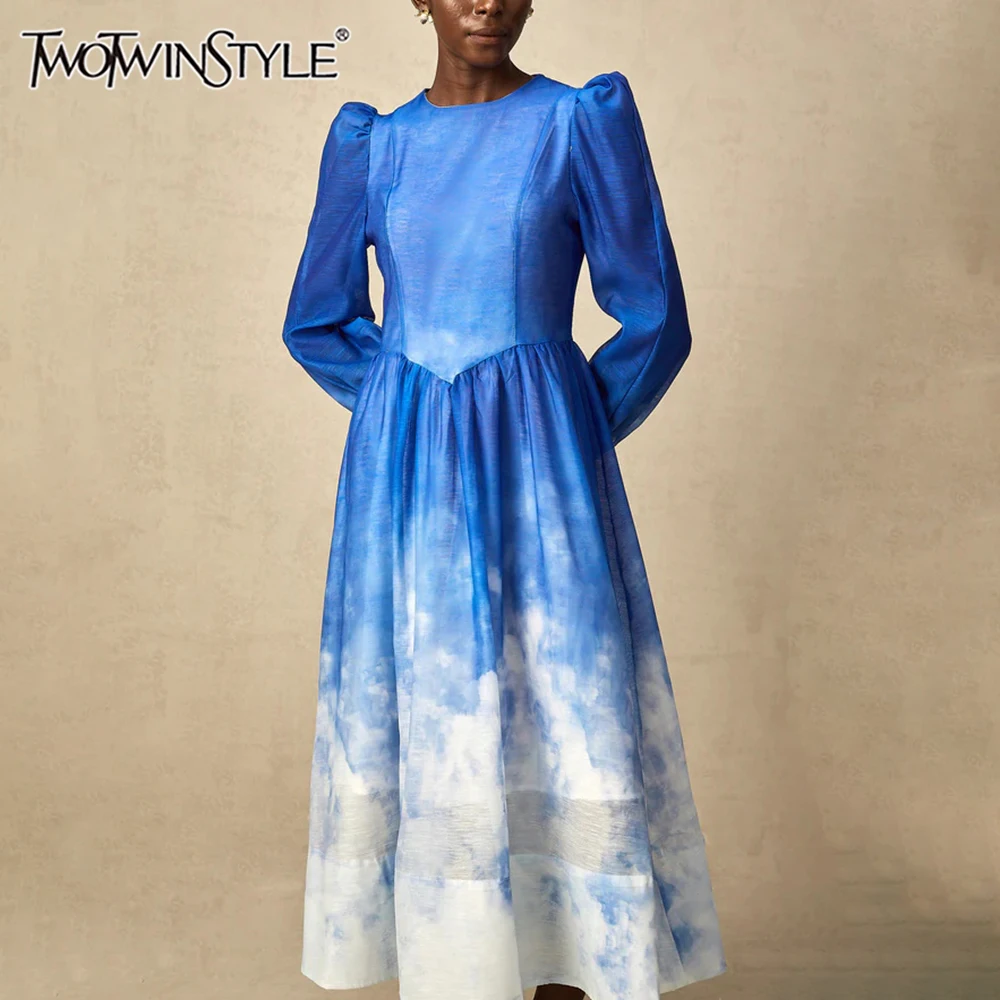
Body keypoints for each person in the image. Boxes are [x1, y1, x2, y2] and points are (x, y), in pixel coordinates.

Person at [281, 1, 728, 997]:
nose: (486, 1)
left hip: (540, 475)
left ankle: (571, 963)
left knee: (561, 696)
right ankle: (457, 963)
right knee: (431, 697)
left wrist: (562, 425)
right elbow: (316, 319)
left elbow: (655, 315)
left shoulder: (577, 122)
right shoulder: (374, 145)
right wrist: (404, 417)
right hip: (408, 488)